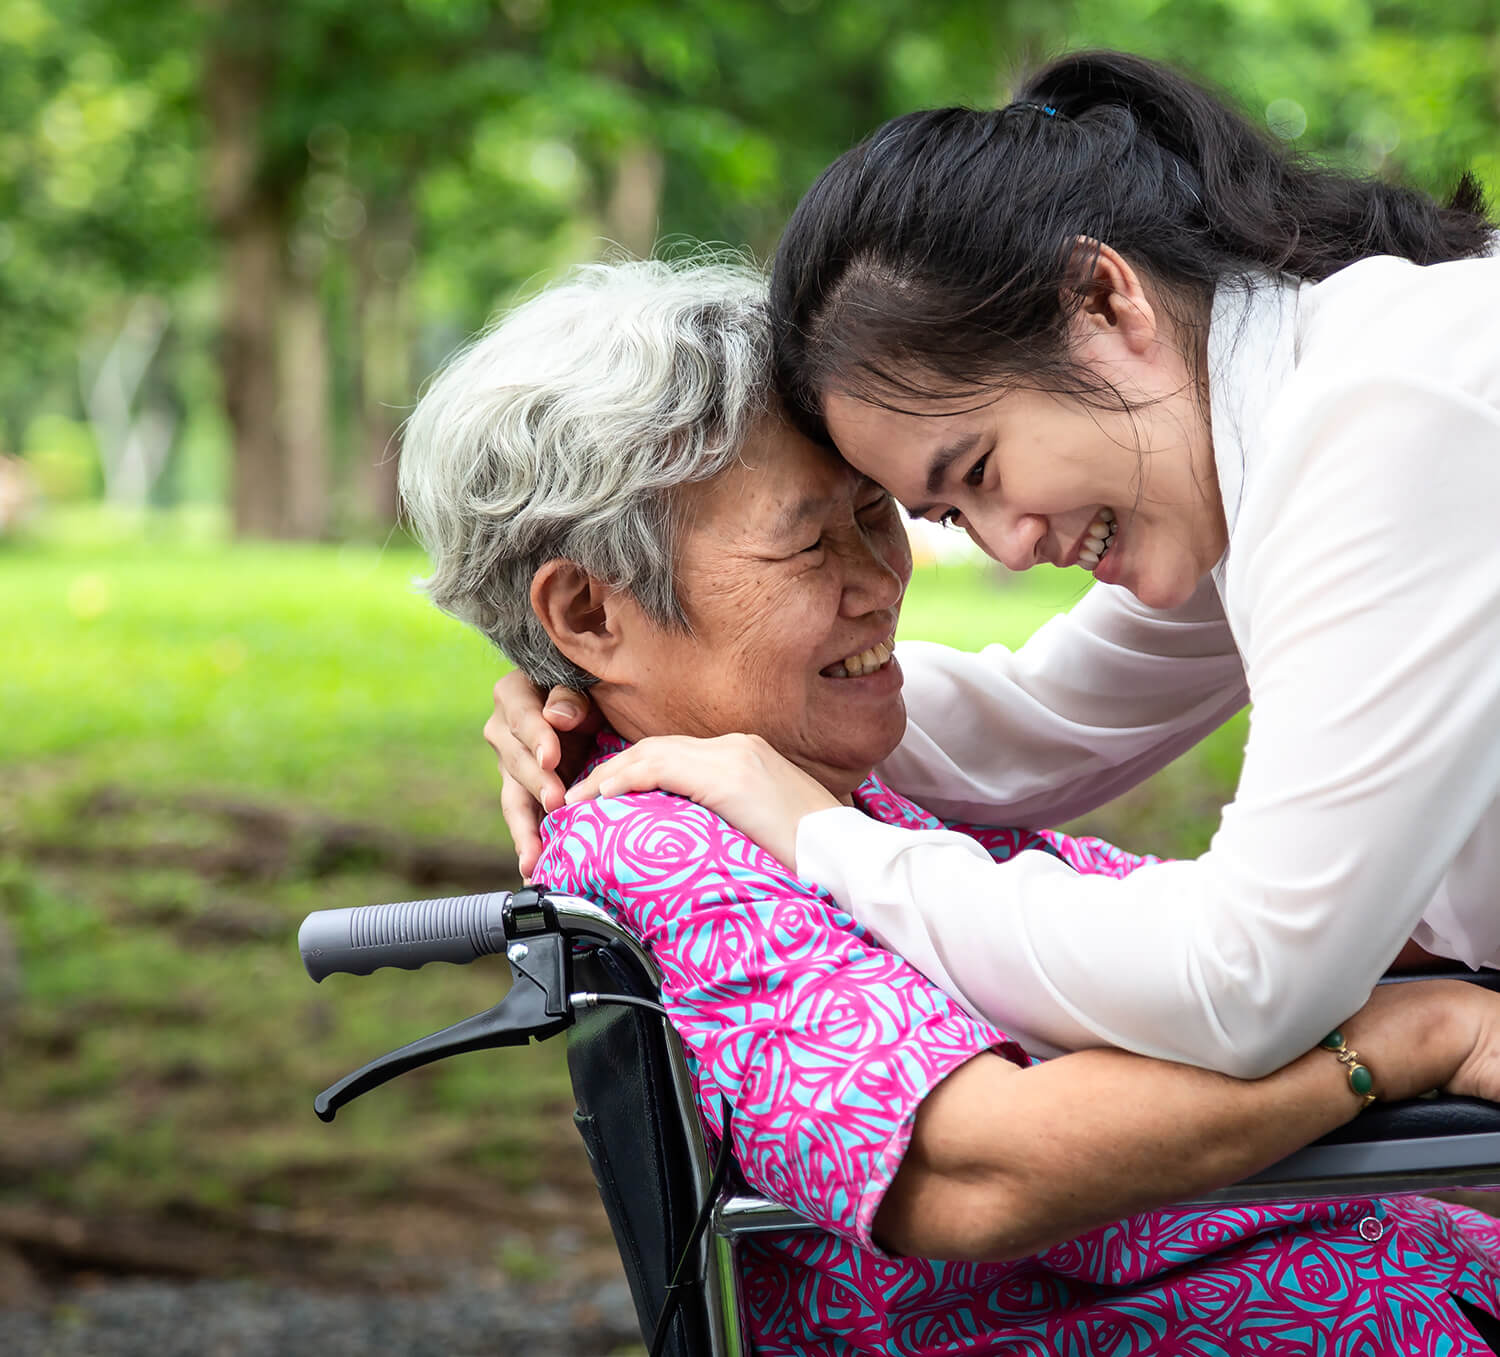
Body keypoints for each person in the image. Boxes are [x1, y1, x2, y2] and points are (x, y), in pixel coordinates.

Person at [402, 257, 1500, 1355]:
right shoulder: (667, 845)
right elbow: (975, 1165)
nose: (883, 578)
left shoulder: (836, 787)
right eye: (808, 540)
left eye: (877, 513)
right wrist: (1394, 1045)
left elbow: (1177, 933)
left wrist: (1384, 945)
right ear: (591, 611)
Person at [500, 49, 1500, 1080]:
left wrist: (824, 840)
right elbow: (1045, 723)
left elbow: (1243, 979)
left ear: (1103, 301)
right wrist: (623, 696)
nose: (1015, 548)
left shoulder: (1384, 421)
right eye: (950, 512)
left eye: (981, 467)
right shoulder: (1263, 434)